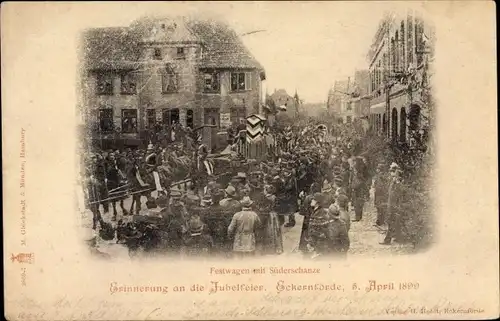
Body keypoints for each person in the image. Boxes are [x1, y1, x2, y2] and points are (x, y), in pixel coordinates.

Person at [381, 163, 404, 245]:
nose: (390, 173)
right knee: (394, 222)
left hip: (394, 206)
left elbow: (397, 195)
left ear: (395, 172)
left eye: (392, 172)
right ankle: (397, 237)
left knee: (391, 222)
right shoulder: (393, 182)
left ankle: (387, 240)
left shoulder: (397, 183)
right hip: (392, 205)